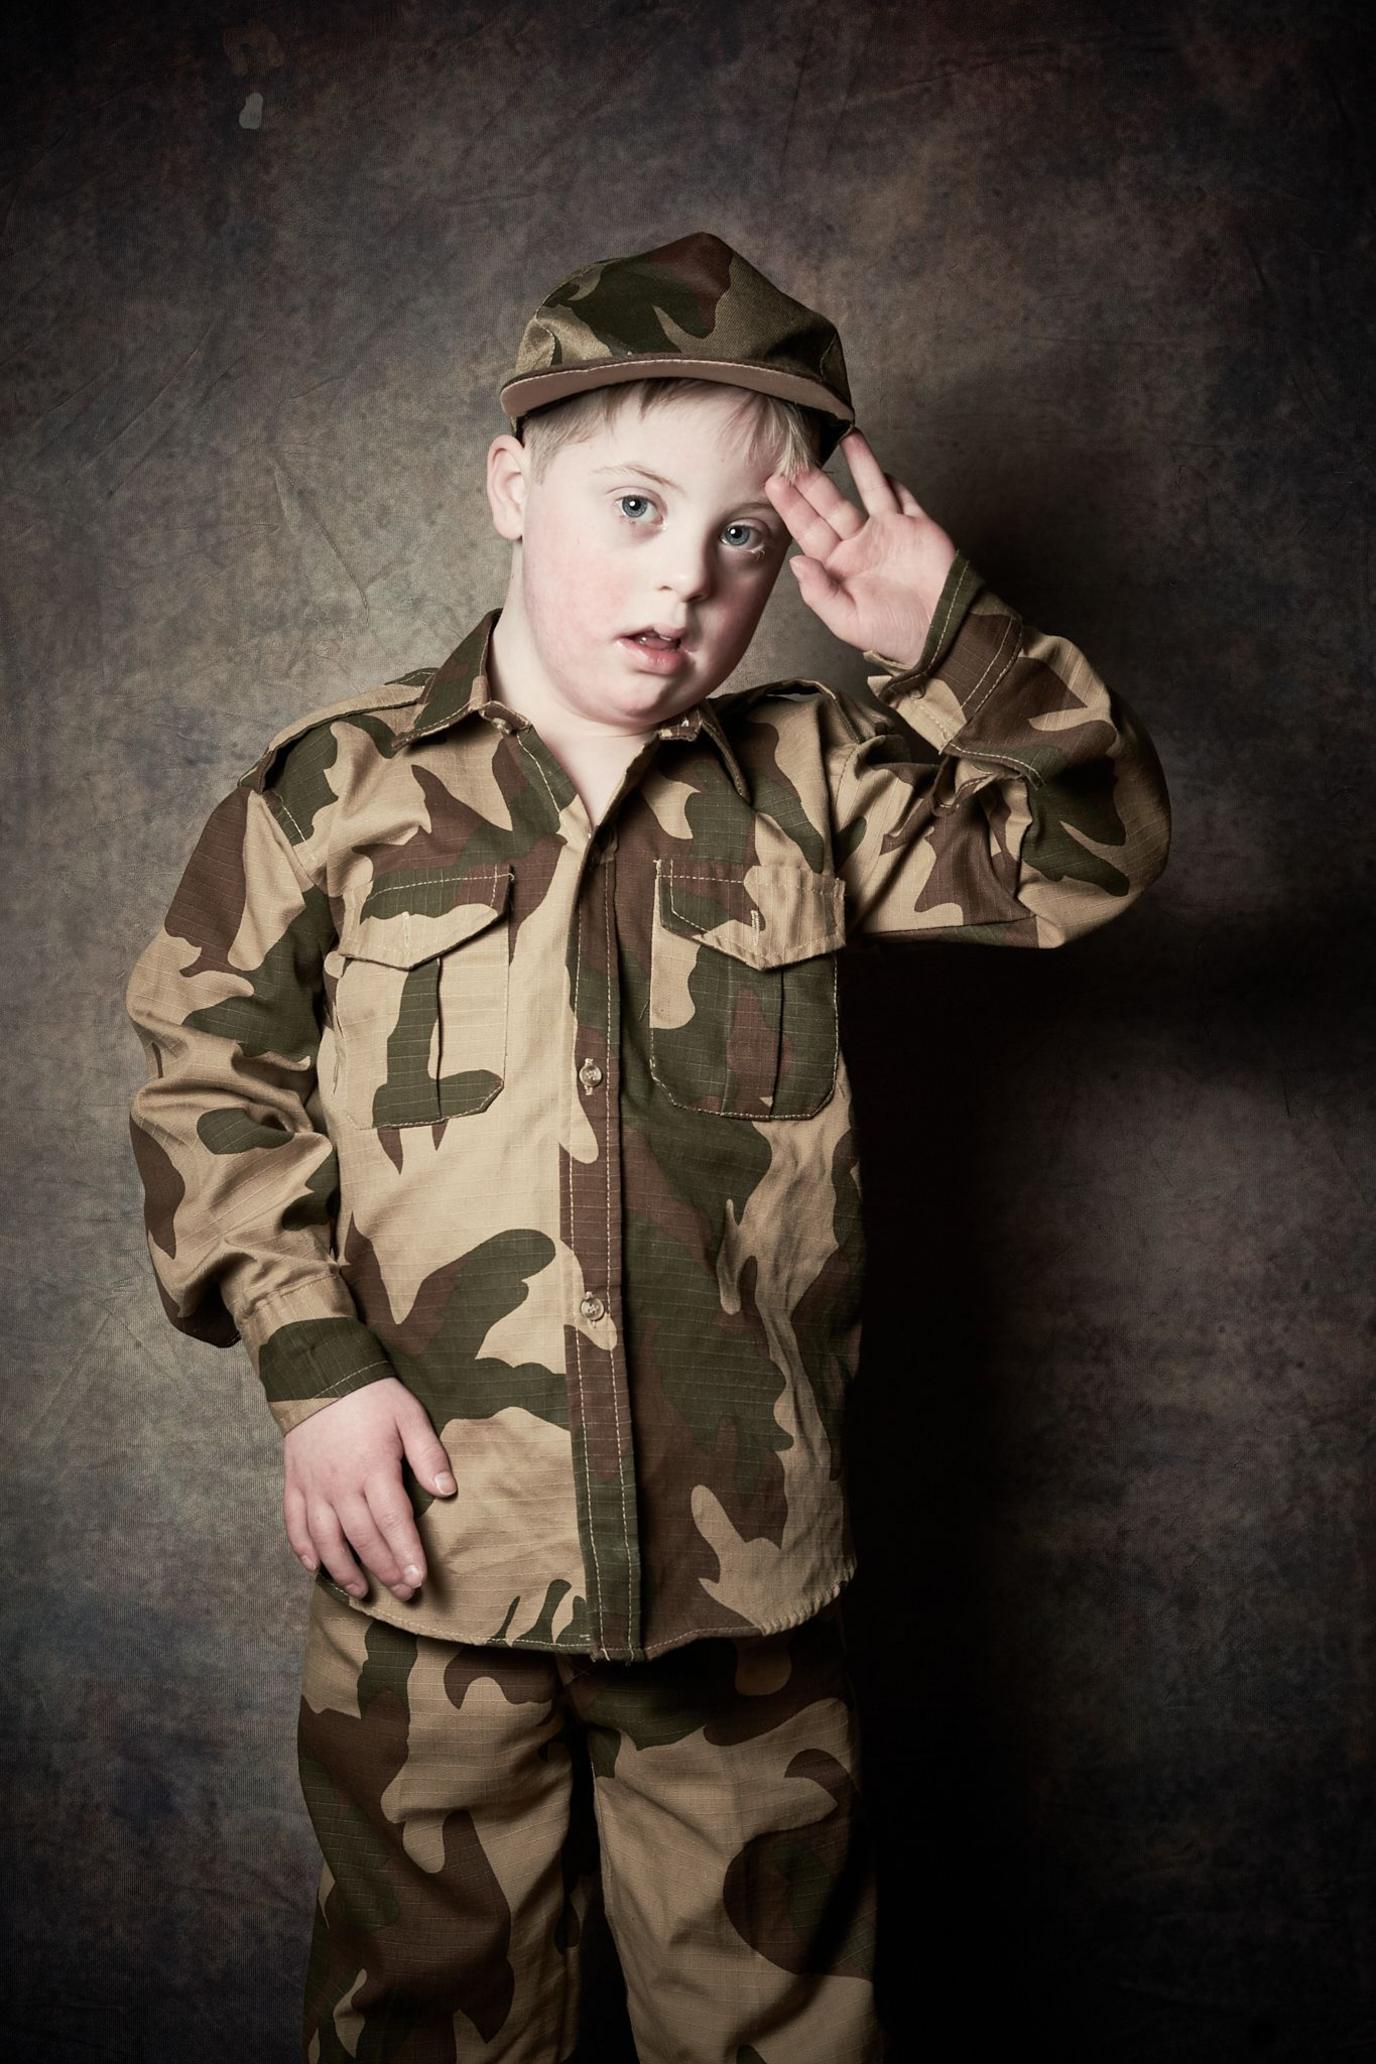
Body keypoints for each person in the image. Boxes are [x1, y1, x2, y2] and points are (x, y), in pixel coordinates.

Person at [123, 229, 1171, 2062]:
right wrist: (313, 1363)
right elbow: (207, 1072)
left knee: (770, 2026)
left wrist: (954, 640)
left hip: (745, 1588)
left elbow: (1091, 858)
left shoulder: (814, 785)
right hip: (433, 1559)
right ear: (511, 485)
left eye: (744, 539)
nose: (682, 581)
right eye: (631, 504)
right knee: (425, 2020)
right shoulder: (341, 793)